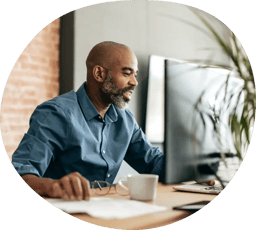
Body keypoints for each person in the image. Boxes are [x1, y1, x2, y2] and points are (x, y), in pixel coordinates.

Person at [12, 41, 165, 201]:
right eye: (127, 73)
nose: (134, 82)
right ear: (99, 74)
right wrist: (54, 186)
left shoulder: (125, 120)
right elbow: (21, 174)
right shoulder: (56, 114)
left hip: (103, 211)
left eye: (135, 74)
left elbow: (153, 163)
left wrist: (190, 163)